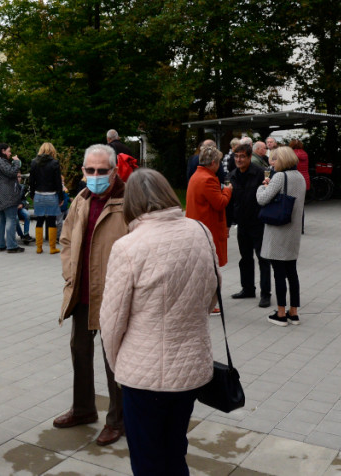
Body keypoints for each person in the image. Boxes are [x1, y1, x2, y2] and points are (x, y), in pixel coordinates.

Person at [100, 168, 218, 475]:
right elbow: (211, 296)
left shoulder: (128, 247)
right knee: (175, 449)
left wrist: (118, 365)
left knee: (147, 458)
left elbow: (111, 322)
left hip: (144, 374)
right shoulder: (201, 231)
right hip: (191, 367)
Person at [54, 144, 128, 446]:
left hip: (114, 295)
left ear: (114, 171)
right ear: (83, 171)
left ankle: (118, 420)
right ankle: (83, 409)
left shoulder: (128, 201)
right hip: (82, 292)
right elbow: (66, 238)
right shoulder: (81, 199)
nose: (95, 176)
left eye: (102, 171)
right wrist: (70, 273)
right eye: (90, 170)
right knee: (80, 351)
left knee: (114, 360)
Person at [257, 146, 307, 326]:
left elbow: (262, 199)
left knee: (278, 273)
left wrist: (262, 188)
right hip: (293, 230)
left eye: (275, 159)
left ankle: (280, 313)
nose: (272, 162)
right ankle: (293, 312)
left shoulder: (280, 177)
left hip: (279, 230)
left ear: (283, 160)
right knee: (292, 272)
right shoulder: (300, 177)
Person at [185, 146, 231, 314]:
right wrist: (228, 190)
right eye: (218, 162)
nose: (219, 166)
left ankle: (202, 301)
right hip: (208, 228)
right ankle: (208, 303)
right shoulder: (208, 179)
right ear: (213, 163)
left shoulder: (197, 176)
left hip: (198, 226)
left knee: (203, 268)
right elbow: (220, 203)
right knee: (209, 269)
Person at [228, 143, 271, 308]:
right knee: (245, 258)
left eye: (242, 156)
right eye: (236, 156)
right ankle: (247, 288)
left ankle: (265, 293)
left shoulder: (260, 173)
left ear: (249, 157)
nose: (239, 160)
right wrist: (228, 223)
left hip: (258, 223)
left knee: (263, 259)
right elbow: (230, 202)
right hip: (242, 224)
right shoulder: (232, 175)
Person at [0, 143, 22, 253]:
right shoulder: (1, 161)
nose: (10, 153)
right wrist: (17, 162)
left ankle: (1, 245)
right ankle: (12, 246)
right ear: (3, 151)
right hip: (6, 195)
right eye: (9, 151)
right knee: (11, 219)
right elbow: (12, 173)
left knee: (1, 219)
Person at [30, 142, 64, 254]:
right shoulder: (54, 163)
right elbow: (58, 182)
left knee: (39, 220)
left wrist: (32, 194)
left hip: (38, 194)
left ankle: (39, 247)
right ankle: (52, 248)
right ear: (52, 150)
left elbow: (31, 181)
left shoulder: (34, 162)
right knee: (51, 221)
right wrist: (61, 197)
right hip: (51, 195)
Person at [14, 171, 35, 245]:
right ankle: (21, 235)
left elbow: (24, 200)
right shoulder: (9, 188)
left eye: (20, 177)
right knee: (16, 219)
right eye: (17, 177)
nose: (19, 178)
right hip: (12, 209)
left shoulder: (21, 187)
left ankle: (26, 234)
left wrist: (22, 204)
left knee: (27, 215)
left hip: (20, 208)